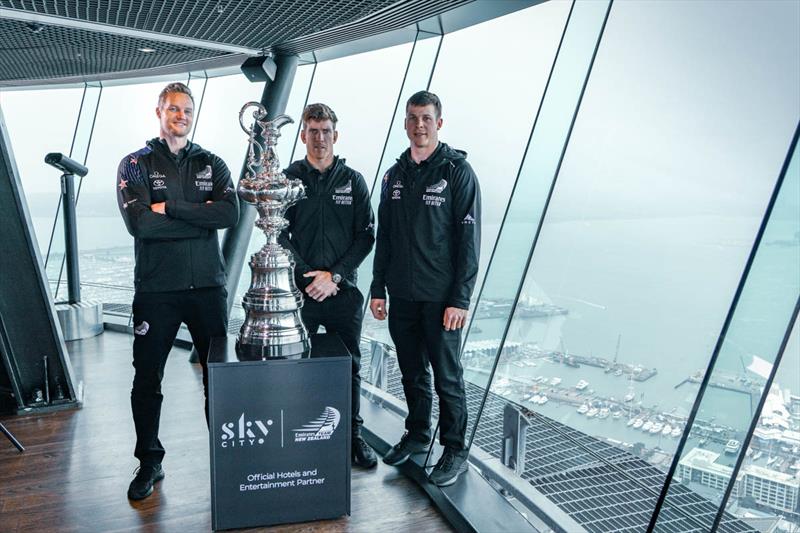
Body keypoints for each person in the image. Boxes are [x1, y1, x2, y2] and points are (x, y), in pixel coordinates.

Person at [116, 82, 239, 500]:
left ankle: (225, 456)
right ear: (159, 112)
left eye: (187, 109)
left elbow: (228, 213)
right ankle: (149, 460)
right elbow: (140, 225)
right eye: (173, 109)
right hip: (157, 291)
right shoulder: (134, 164)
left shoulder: (214, 163)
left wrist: (168, 207)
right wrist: (199, 216)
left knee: (217, 377)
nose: (181, 115)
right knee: (147, 377)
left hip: (208, 288)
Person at [370, 90, 481, 486]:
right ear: (405, 122)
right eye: (413, 118)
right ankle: (418, 435)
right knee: (412, 372)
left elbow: (469, 242)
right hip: (402, 295)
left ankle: (455, 450)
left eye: (427, 118)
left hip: (441, 300)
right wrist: (377, 288)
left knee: (447, 377)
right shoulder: (394, 175)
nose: (420, 125)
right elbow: (385, 237)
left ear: (439, 123)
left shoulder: (456, 172)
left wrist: (460, 299)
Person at [280, 102, 378, 468]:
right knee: (296, 363)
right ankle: (298, 434)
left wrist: (333, 276)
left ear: (335, 135)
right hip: (300, 293)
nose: (319, 138)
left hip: (343, 293)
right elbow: (279, 234)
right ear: (303, 134)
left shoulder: (353, 181)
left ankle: (353, 436)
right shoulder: (289, 179)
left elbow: (365, 237)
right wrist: (310, 276)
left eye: (325, 131)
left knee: (349, 365)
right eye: (313, 131)